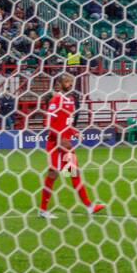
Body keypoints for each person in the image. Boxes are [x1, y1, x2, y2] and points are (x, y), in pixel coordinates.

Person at [38, 73, 104, 217]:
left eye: (71, 81)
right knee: (53, 174)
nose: (70, 84)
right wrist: (60, 138)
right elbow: (49, 123)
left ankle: (89, 206)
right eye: (67, 82)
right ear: (60, 84)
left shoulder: (71, 100)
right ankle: (43, 210)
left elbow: (66, 123)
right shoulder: (56, 99)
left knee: (74, 174)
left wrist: (74, 132)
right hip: (55, 144)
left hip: (66, 146)